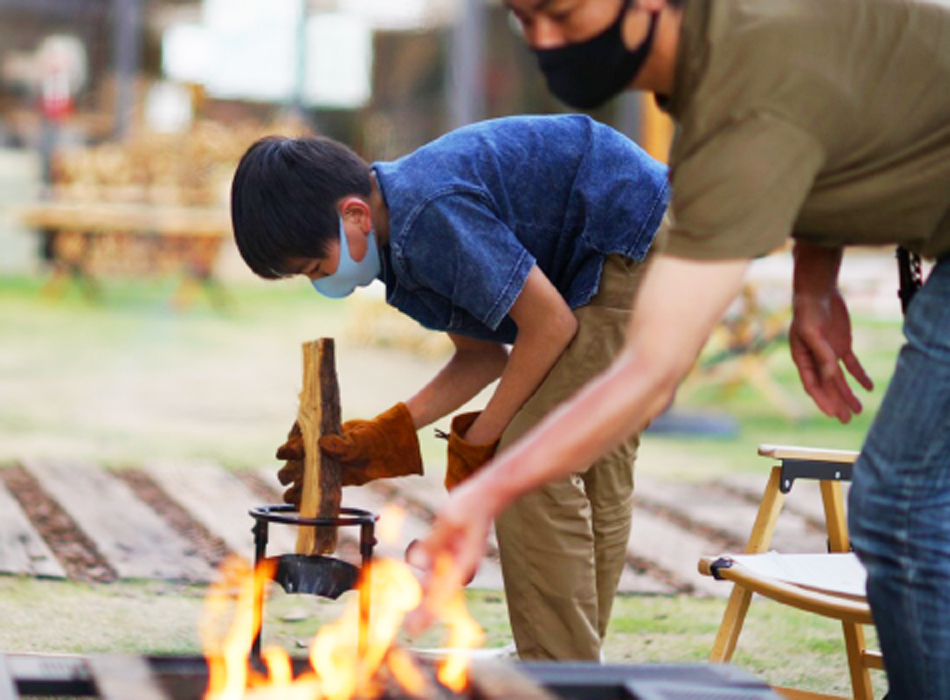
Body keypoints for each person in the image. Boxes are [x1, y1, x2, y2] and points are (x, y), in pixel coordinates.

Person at [412, 0, 950, 697]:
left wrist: (489, 489)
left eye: (562, 14)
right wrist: (814, 286)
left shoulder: (743, 92)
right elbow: (843, 122)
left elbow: (652, 365)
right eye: (525, 19)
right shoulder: (723, 62)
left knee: (900, 505)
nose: (544, 40)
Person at [230, 114, 670, 661]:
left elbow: (550, 326)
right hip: (617, 243)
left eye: (316, 265)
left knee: (531, 462)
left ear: (355, 214)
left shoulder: (426, 215)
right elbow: (481, 359)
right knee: (582, 460)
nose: (321, 281)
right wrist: (384, 433)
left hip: (631, 233)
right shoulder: (398, 250)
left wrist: (481, 449)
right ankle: (570, 663)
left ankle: (558, 667)